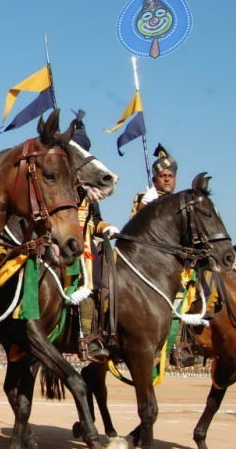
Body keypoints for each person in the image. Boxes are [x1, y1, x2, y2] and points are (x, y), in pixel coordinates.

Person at [64, 112, 119, 363]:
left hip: (85, 246)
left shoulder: (90, 191)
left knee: (102, 278)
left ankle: (92, 335)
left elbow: (94, 220)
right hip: (58, 243)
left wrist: (105, 228)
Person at [130, 143, 177, 218]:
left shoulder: (181, 201)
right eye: (162, 176)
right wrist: (144, 205)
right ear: (154, 180)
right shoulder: (147, 199)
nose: (167, 179)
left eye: (170, 176)